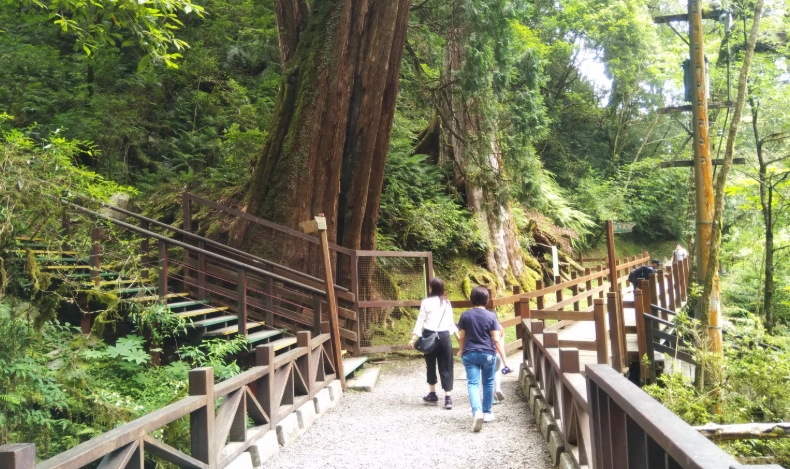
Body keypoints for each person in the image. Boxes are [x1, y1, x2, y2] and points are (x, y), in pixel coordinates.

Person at [457, 286, 509, 432]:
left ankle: (477, 412)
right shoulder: (492, 316)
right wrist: (505, 361)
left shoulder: (465, 315)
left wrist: (461, 350)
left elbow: (462, 337)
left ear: (471, 299)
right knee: (488, 382)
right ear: (486, 300)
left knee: (473, 383)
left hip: (470, 353)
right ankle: (487, 413)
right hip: (488, 354)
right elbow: (496, 340)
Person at [408, 277, 458, 410]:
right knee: (446, 365)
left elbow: (420, 322)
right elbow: (451, 323)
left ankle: (433, 394)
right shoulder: (446, 303)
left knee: (430, 365)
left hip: (429, 336)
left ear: (431, 288)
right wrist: (458, 336)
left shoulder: (426, 302)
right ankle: (448, 397)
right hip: (444, 337)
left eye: (430, 286)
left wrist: (413, 338)